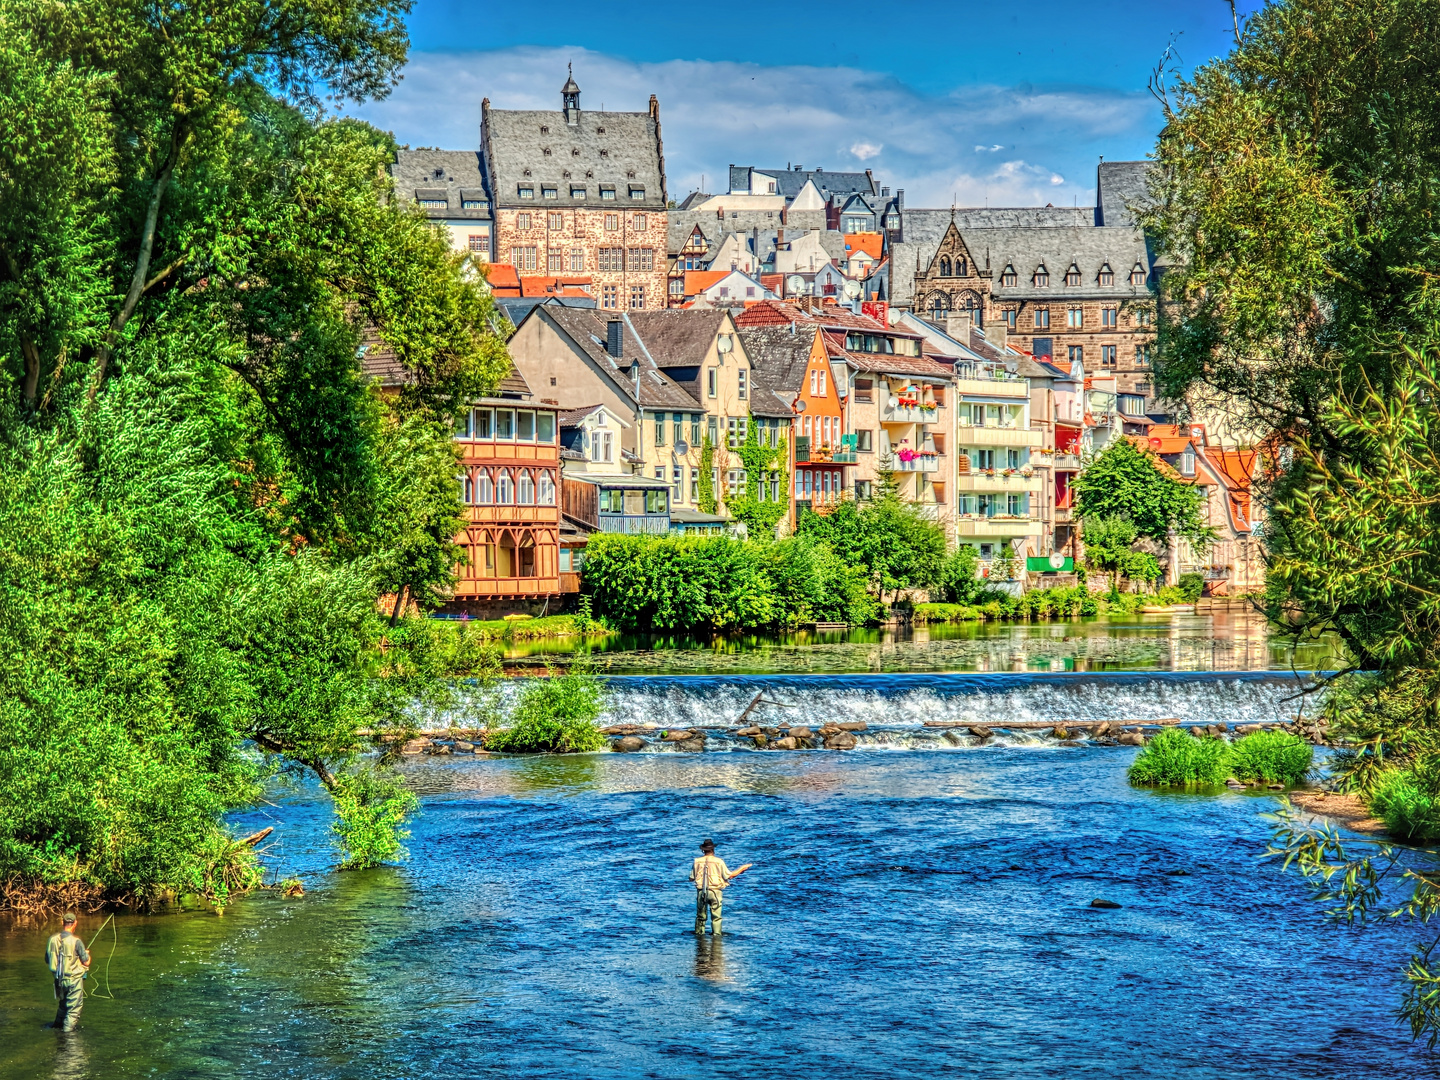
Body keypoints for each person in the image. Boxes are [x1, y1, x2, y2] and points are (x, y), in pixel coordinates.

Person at [689, 839, 750, 935]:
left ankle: (699, 937)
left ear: (703, 850)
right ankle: (716, 936)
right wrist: (742, 868)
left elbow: (691, 878)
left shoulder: (697, 861)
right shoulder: (719, 861)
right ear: (713, 849)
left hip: (701, 892)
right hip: (715, 892)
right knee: (716, 917)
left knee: (700, 916)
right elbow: (730, 876)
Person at [45, 913, 90, 1032]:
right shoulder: (77, 941)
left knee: (63, 1005)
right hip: (73, 980)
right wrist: (87, 954)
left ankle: (56, 1027)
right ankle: (67, 1036)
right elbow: (86, 962)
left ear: (62, 922)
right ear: (75, 923)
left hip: (58, 980)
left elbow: (47, 959)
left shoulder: (52, 939)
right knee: (73, 1010)